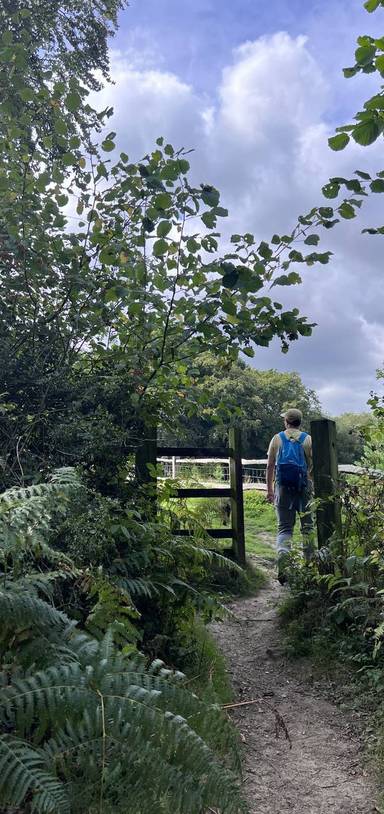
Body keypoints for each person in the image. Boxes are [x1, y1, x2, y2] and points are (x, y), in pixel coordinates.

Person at [266, 407, 315, 584]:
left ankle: (283, 567)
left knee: (284, 529)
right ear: (300, 422)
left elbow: (270, 466)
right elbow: (315, 466)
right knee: (308, 528)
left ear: (286, 421)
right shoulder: (308, 439)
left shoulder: (277, 438)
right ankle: (310, 568)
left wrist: (270, 490)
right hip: (304, 488)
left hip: (282, 488)